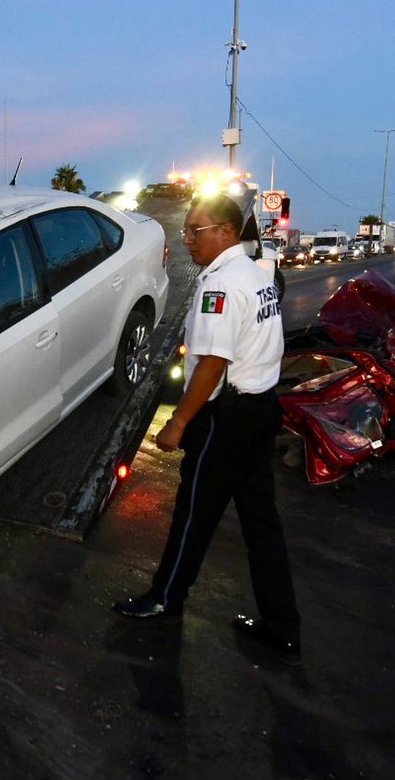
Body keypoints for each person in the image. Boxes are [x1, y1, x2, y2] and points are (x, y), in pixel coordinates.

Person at [113, 192, 301, 661]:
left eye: (195, 231)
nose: (187, 239)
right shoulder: (256, 275)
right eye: (187, 231)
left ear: (225, 232)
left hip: (227, 419)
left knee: (193, 513)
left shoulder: (220, 285)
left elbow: (213, 363)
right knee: (262, 522)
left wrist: (179, 421)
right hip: (261, 408)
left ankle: (164, 598)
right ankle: (283, 624)